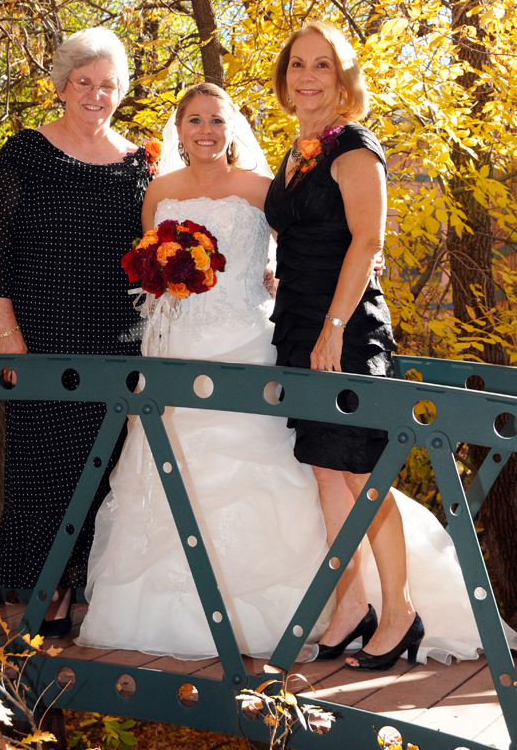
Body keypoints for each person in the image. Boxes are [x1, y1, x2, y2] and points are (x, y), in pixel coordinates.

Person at [77, 82, 485, 665]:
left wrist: (295, 295)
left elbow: (307, 247)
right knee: (179, 472)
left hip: (247, 345)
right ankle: (184, 615)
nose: (206, 131)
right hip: (176, 350)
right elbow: (146, 267)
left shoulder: (263, 191)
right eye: (193, 120)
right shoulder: (159, 192)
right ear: (178, 129)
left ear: (232, 127)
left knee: (316, 474)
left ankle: (351, 603)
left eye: (216, 120)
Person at [0, 26, 156, 637]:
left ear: (121, 91)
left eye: (109, 85)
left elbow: (173, 240)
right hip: (40, 338)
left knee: (108, 472)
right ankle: (48, 593)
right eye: (85, 82)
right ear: (63, 86)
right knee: (46, 467)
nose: (97, 95)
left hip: (119, 342)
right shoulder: (28, 151)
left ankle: (88, 594)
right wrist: (6, 336)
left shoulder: (138, 164)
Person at [264, 20, 421, 671]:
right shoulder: (300, 149)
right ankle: (349, 605)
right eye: (297, 64)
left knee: (362, 470)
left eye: (321, 65)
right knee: (327, 471)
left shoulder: (354, 146)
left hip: (345, 330)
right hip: (300, 325)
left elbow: (367, 242)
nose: (307, 76)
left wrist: (333, 328)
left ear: (342, 76)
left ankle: (402, 610)